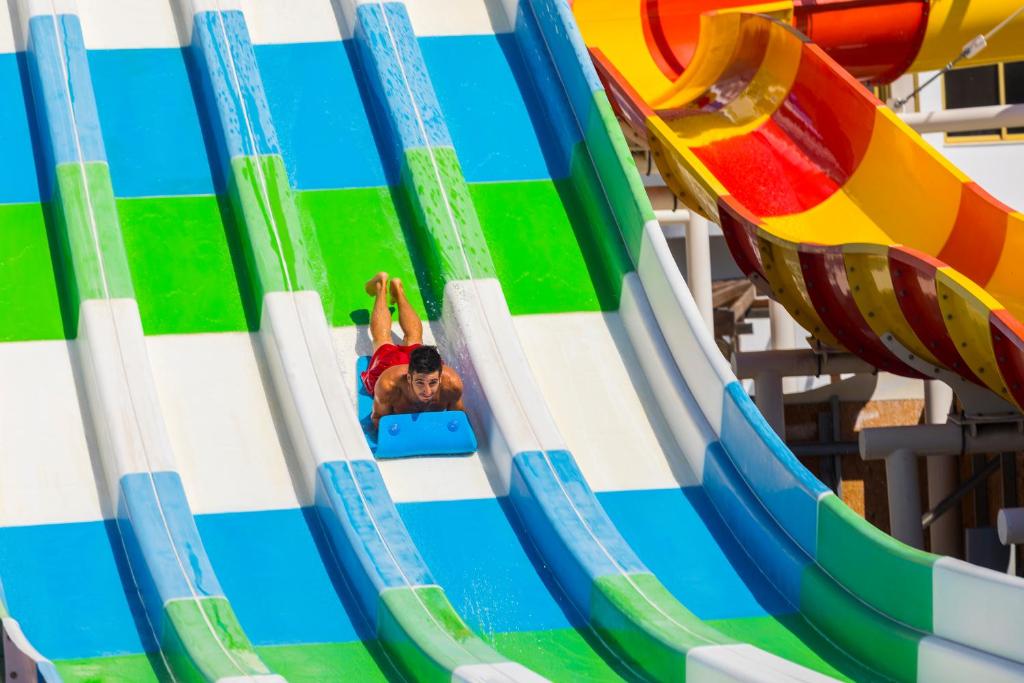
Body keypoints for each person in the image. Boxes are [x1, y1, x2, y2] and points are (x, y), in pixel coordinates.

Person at [361, 272, 464, 433]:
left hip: (418, 365)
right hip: (389, 365)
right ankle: (381, 286)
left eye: (433, 382)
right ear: (409, 378)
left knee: (415, 338)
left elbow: (457, 419)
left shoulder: (452, 384)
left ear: (440, 377)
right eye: (420, 383)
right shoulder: (388, 384)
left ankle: (399, 291)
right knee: (382, 339)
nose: (427, 391)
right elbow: (378, 418)